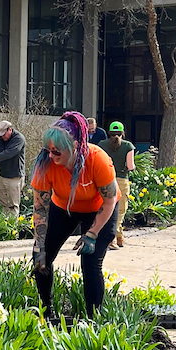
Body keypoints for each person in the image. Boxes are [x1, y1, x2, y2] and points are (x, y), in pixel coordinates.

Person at [31, 111, 120, 319]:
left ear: (75, 146)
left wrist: (91, 234)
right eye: (48, 150)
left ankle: (93, 319)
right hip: (63, 208)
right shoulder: (45, 164)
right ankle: (47, 311)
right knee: (41, 259)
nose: (51, 156)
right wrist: (39, 245)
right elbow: (40, 208)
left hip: (99, 209)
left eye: (57, 152)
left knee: (90, 261)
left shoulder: (97, 159)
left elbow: (109, 201)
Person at [99, 121, 135, 248]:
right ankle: (112, 239)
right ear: (122, 133)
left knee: (106, 209)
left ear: (109, 132)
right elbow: (130, 167)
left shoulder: (101, 145)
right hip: (121, 180)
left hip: (105, 180)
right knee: (120, 211)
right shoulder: (128, 146)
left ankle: (119, 238)